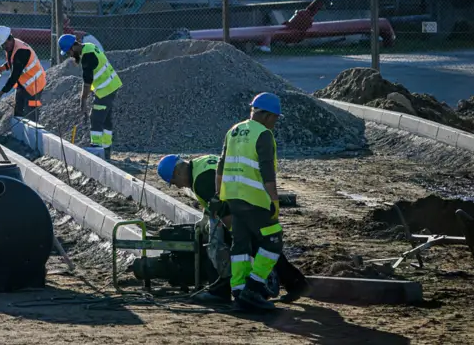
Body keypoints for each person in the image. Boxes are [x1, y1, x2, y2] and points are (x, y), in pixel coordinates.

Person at [158, 153, 307, 303]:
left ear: (177, 171)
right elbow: (216, 198)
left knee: (221, 246)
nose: (178, 186)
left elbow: (225, 213)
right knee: (264, 246)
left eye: (174, 181)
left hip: (246, 208)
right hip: (253, 200)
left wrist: (235, 236)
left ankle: (221, 291)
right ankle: (296, 284)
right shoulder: (200, 164)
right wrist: (207, 215)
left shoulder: (201, 181)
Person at [215, 92, 288, 311]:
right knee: (273, 241)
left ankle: (238, 290)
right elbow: (267, 171)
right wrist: (274, 200)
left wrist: (219, 197)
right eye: (275, 117)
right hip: (255, 200)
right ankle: (254, 288)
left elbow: (220, 166)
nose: (275, 122)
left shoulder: (233, 131)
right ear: (265, 115)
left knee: (241, 245)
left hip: (233, 199)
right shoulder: (263, 134)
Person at [59, 34, 122, 158]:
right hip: (111, 85)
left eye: (69, 52)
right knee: (106, 119)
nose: (70, 55)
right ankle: (106, 149)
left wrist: (83, 100)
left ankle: (97, 149)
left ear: (73, 47)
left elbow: (87, 82)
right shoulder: (88, 46)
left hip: (106, 89)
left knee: (96, 118)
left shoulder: (87, 57)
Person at [0, 25, 46, 119]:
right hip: (24, 84)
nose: (3, 47)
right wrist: (2, 68)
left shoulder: (21, 51)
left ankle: (34, 132)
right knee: (18, 109)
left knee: (32, 111)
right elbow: (12, 62)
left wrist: (2, 92)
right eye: (1, 46)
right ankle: (18, 130)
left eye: (4, 44)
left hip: (35, 85)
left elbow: (14, 76)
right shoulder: (11, 46)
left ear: (10, 38)